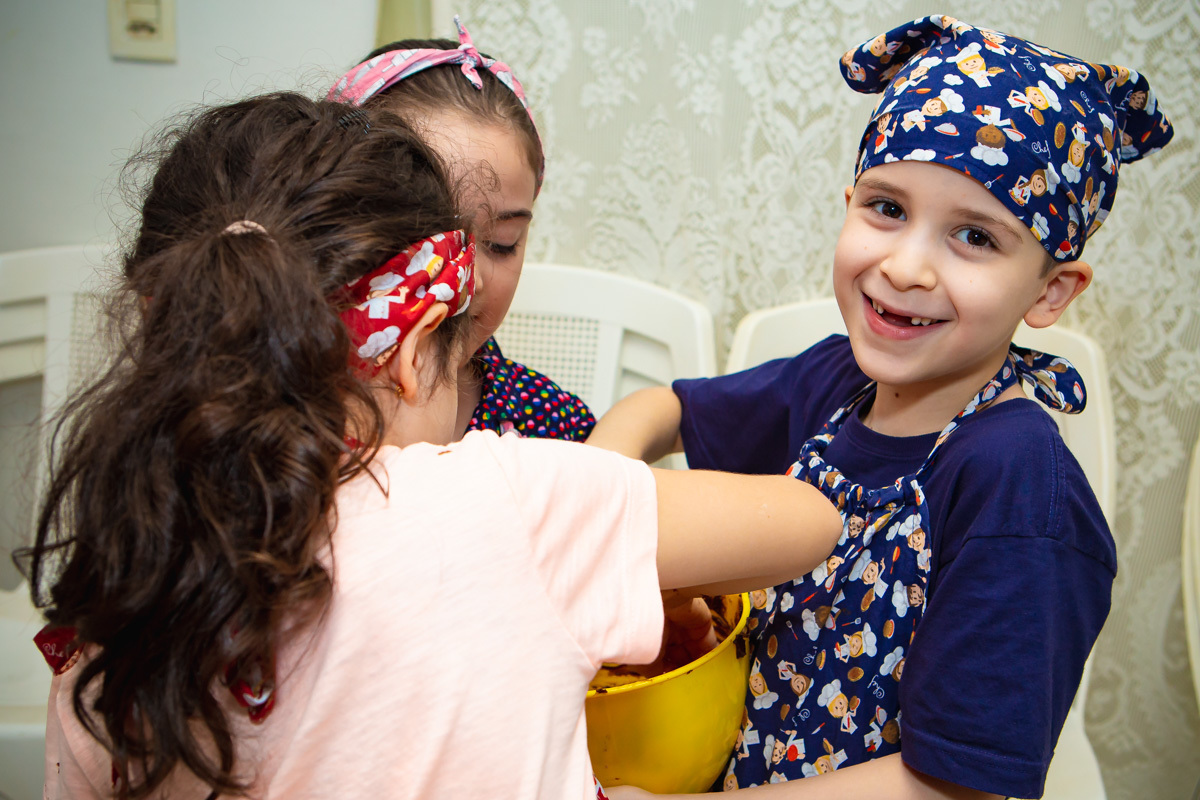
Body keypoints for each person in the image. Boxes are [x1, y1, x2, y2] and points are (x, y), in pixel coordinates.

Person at [24, 93, 842, 800]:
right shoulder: (503, 497)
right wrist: (613, 533)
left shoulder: (115, 591)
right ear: (417, 354)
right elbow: (805, 524)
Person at [590, 15, 1173, 799]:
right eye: (887, 209)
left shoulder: (1019, 486)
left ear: (1050, 290)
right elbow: (660, 408)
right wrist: (591, 505)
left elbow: (950, 786)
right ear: (848, 203)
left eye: (974, 236)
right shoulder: (831, 385)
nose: (905, 267)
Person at [329, 17, 592, 442]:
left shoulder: (551, 429)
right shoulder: (269, 410)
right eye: (425, 235)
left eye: (500, 244)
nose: (471, 279)